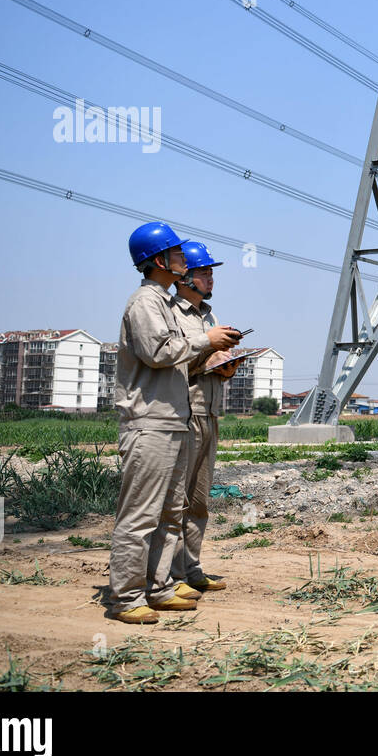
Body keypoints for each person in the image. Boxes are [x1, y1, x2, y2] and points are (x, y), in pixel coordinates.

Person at [107, 222, 239, 624]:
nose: (184, 262)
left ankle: (161, 586)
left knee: (169, 512)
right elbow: (157, 352)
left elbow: (177, 359)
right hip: (149, 422)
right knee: (140, 515)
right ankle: (127, 598)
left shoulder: (162, 302)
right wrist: (205, 342)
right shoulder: (144, 303)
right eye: (178, 255)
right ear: (158, 261)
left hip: (173, 421)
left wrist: (212, 358)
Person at [170, 241, 234, 595]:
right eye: (204, 272)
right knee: (177, 498)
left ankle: (191, 568)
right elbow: (168, 360)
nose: (211, 278)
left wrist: (225, 367)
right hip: (184, 413)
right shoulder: (172, 314)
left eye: (211, 272)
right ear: (184, 278)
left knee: (198, 499)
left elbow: (207, 359)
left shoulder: (209, 316)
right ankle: (172, 575)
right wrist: (205, 356)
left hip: (209, 412)